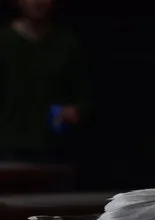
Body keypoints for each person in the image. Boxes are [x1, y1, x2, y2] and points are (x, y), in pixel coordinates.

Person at [0, 0, 91, 162]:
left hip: (55, 148)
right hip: (8, 148)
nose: (38, 2)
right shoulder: (4, 41)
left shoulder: (67, 44)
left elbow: (84, 94)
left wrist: (75, 110)